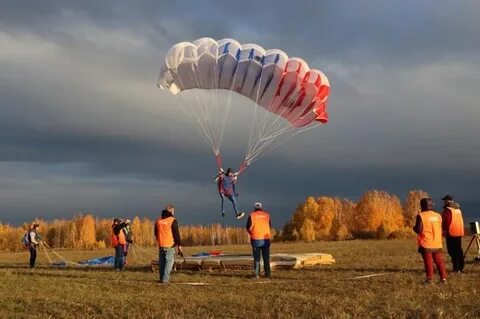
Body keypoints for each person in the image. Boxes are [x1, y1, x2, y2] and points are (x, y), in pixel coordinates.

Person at [413, 198, 447, 284]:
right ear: (431, 205)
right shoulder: (438, 216)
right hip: (437, 242)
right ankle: (443, 278)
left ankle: (429, 279)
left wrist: (414, 228)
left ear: (422, 206)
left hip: (426, 243)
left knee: (428, 261)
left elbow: (418, 230)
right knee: (439, 260)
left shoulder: (421, 215)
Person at [154, 205, 183, 284]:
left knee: (162, 263)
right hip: (170, 245)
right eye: (173, 211)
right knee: (169, 263)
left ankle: (161, 279)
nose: (174, 213)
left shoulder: (158, 221)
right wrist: (179, 245)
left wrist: (159, 240)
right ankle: (165, 281)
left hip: (161, 245)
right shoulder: (172, 220)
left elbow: (156, 233)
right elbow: (176, 234)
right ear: (170, 211)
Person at [246, 202, 271, 279]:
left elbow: (248, 227)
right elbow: (269, 226)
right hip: (266, 239)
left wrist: (251, 233)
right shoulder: (267, 215)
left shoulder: (252, 215)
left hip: (256, 240)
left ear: (254, 208)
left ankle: (257, 275)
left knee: (257, 258)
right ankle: (267, 274)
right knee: (266, 257)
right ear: (261, 207)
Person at [441, 195, 465, 273]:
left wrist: (443, 230)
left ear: (447, 201)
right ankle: (461, 267)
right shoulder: (458, 209)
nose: (444, 202)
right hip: (458, 232)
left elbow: (446, 222)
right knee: (458, 250)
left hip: (451, 233)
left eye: (444, 200)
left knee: (452, 251)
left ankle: (456, 268)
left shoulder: (447, 210)